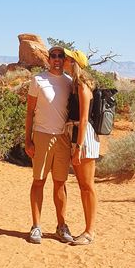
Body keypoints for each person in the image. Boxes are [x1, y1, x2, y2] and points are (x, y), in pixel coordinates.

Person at [24, 45, 73, 244]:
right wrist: (28, 139)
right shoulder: (38, 80)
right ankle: (36, 226)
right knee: (39, 181)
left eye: (61, 56)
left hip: (63, 138)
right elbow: (29, 112)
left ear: (65, 60)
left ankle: (61, 226)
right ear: (48, 58)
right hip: (42, 135)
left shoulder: (70, 82)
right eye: (53, 56)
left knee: (60, 183)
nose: (57, 59)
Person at [64, 48, 99, 245]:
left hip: (83, 138)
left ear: (74, 63)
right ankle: (87, 230)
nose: (64, 61)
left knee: (87, 186)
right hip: (76, 136)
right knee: (83, 186)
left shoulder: (83, 87)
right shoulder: (74, 85)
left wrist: (77, 147)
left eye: (67, 59)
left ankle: (90, 232)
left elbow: (84, 119)